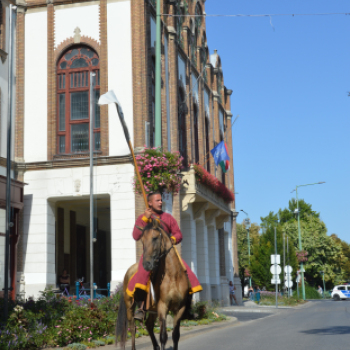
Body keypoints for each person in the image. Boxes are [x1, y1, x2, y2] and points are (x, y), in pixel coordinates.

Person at [127, 192, 203, 320]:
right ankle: (140, 309)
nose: (161, 202)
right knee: (141, 276)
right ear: (150, 203)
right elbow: (136, 236)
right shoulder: (144, 218)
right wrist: (145, 219)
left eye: (161, 200)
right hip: (150, 254)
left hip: (167, 253)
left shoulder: (168, 218)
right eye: (157, 200)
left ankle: (187, 308)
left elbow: (178, 234)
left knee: (186, 272)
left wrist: (172, 240)